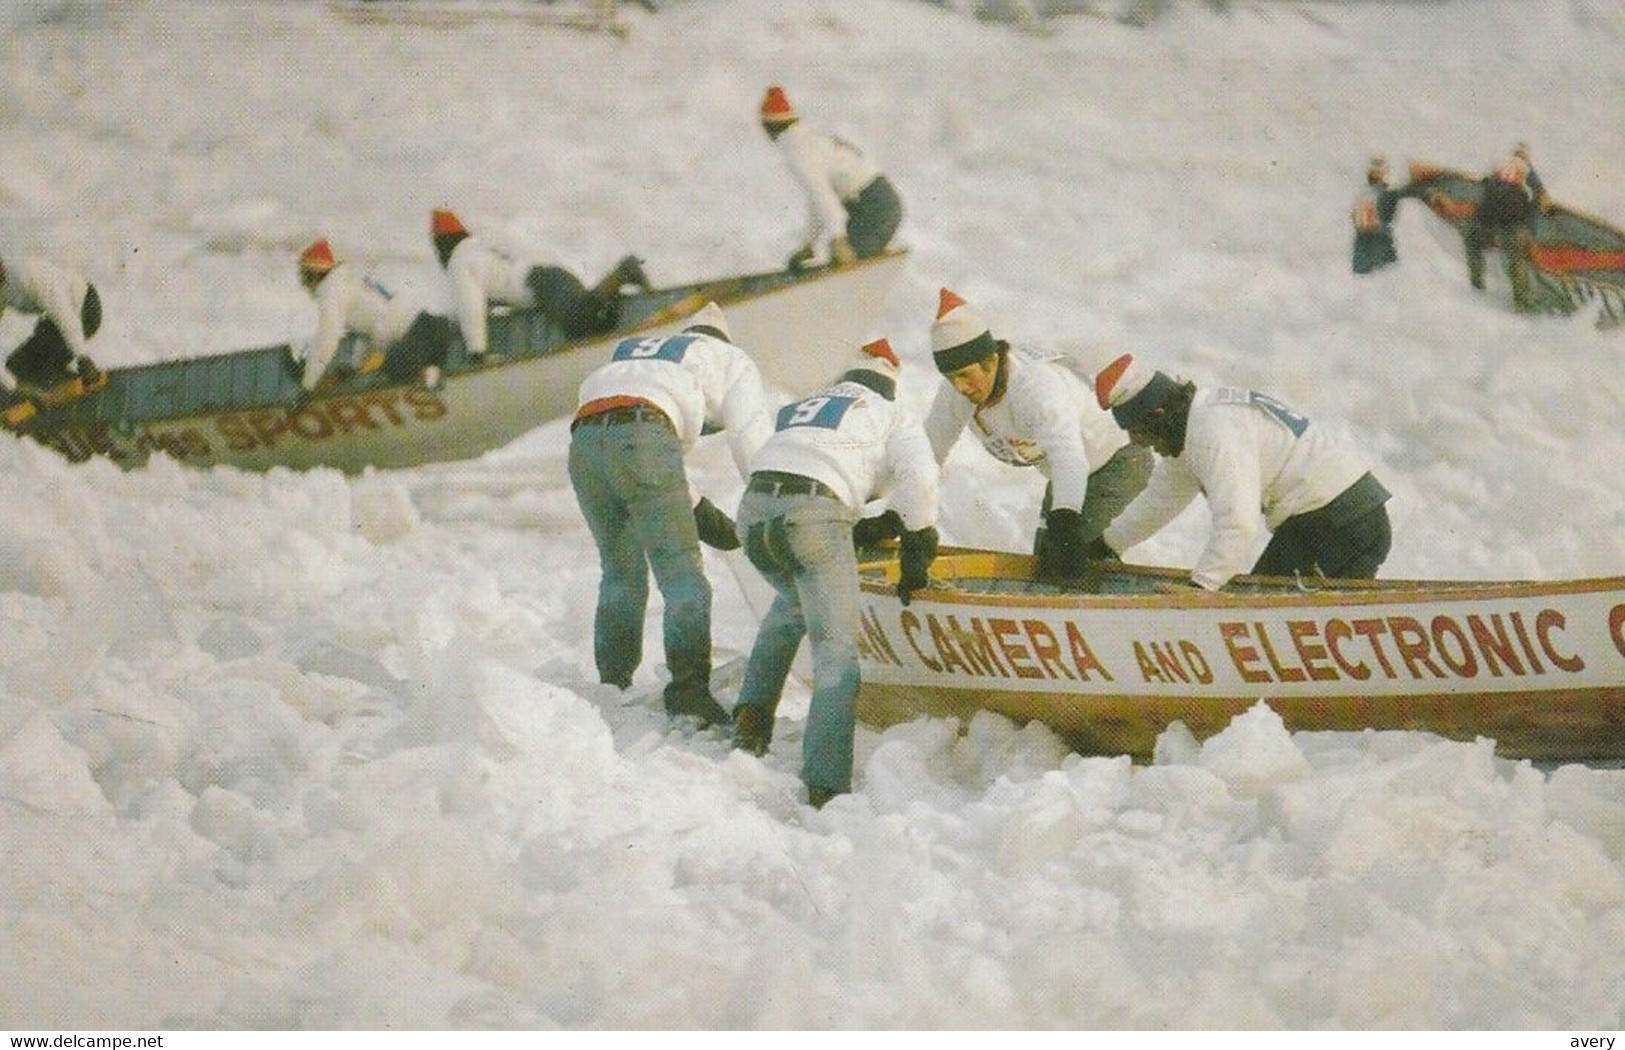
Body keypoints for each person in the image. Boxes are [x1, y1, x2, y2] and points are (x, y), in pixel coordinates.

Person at [731, 337, 940, 807]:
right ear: (890, 382)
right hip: (812, 514)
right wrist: (919, 538)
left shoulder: (803, 406)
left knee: (792, 606)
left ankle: (749, 725)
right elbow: (921, 478)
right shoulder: (889, 411)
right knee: (836, 653)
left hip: (754, 512)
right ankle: (825, 784)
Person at [569, 301, 773, 727]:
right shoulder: (729, 359)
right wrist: (774, 509)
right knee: (684, 578)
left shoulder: (637, 352)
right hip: (645, 433)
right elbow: (750, 442)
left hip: (585, 441)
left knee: (620, 572)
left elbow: (653, 470)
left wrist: (715, 523)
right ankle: (688, 694)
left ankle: (613, 687)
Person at [1092, 353, 1393, 591]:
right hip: (1344, 514)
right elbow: (1161, 499)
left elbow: (1238, 521)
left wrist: (1202, 587)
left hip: (1337, 521)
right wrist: (1106, 545)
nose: (1138, 444)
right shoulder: (1194, 421)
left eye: (1140, 434)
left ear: (1158, 416)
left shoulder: (1211, 432)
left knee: (1261, 620)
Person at [916, 287, 1152, 582]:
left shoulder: (1034, 388)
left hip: (1117, 460)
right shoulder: (957, 392)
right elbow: (926, 456)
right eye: (951, 379)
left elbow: (1070, 459)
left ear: (991, 361)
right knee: (1047, 565)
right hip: (1068, 474)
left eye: (965, 375)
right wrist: (903, 519)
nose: (961, 388)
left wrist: (1065, 519)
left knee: (1076, 558)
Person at [430, 208, 652, 352]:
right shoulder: (480, 246)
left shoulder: (459, 261)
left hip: (544, 287)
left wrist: (476, 351)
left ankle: (623, 271)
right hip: (553, 277)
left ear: (443, 245)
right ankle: (613, 310)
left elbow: (471, 306)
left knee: (580, 323)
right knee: (588, 326)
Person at [758, 84, 903, 271]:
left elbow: (823, 198)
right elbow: (818, 198)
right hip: (878, 202)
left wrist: (838, 239)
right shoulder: (808, 140)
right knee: (842, 264)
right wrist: (808, 244)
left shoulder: (798, 151)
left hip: (874, 208)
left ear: (768, 127)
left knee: (844, 267)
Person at [294, 238, 452, 392]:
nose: (304, 282)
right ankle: (433, 373)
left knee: (393, 371)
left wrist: (307, 386)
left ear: (316, 273)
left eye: (306, 274)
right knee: (394, 363)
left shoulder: (330, 293)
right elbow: (373, 327)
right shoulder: (352, 281)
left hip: (418, 337)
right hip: (436, 325)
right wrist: (356, 367)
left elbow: (326, 340)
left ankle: (433, 379)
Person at [0, 253, 104, 395]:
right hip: (54, 322)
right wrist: (17, 387)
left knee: (42, 366)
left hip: (85, 309)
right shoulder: (3, 290)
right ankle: (50, 386)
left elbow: (64, 314)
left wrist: (83, 358)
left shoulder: (28, 273)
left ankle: (76, 385)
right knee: (15, 368)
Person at [1465, 142, 1550, 311]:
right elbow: (1539, 193)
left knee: (1476, 242)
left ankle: (1478, 287)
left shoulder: (1505, 166)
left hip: (1493, 221)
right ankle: (1521, 303)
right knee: (1516, 259)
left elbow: (1487, 181)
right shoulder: (1521, 168)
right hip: (1506, 224)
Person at [1350, 156, 1415, 275]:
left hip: (1369, 242)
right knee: (1384, 274)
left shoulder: (1365, 194)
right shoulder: (1384, 194)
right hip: (1376, 241)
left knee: (1372, 275)